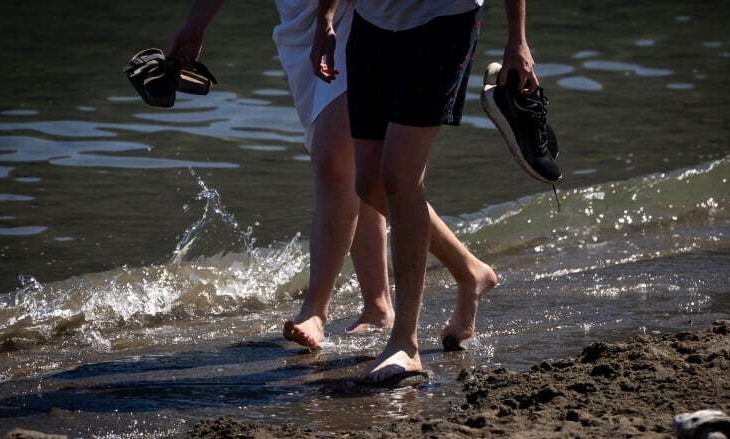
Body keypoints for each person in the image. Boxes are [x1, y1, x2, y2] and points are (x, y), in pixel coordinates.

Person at [168, 0, 496, 355]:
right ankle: (392, 298)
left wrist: (326, 17)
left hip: (356, 16)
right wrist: (194, 25)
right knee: (360, 172)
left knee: (334, 161)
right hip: (298, 24)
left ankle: (316, 309)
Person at [311, 0, 538, 382]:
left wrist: (517, 38)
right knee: (368, 184)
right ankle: (470, 271)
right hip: (371, 24)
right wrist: (325, 18)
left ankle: (406, 344)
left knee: (399, 176)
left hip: (443, 20)